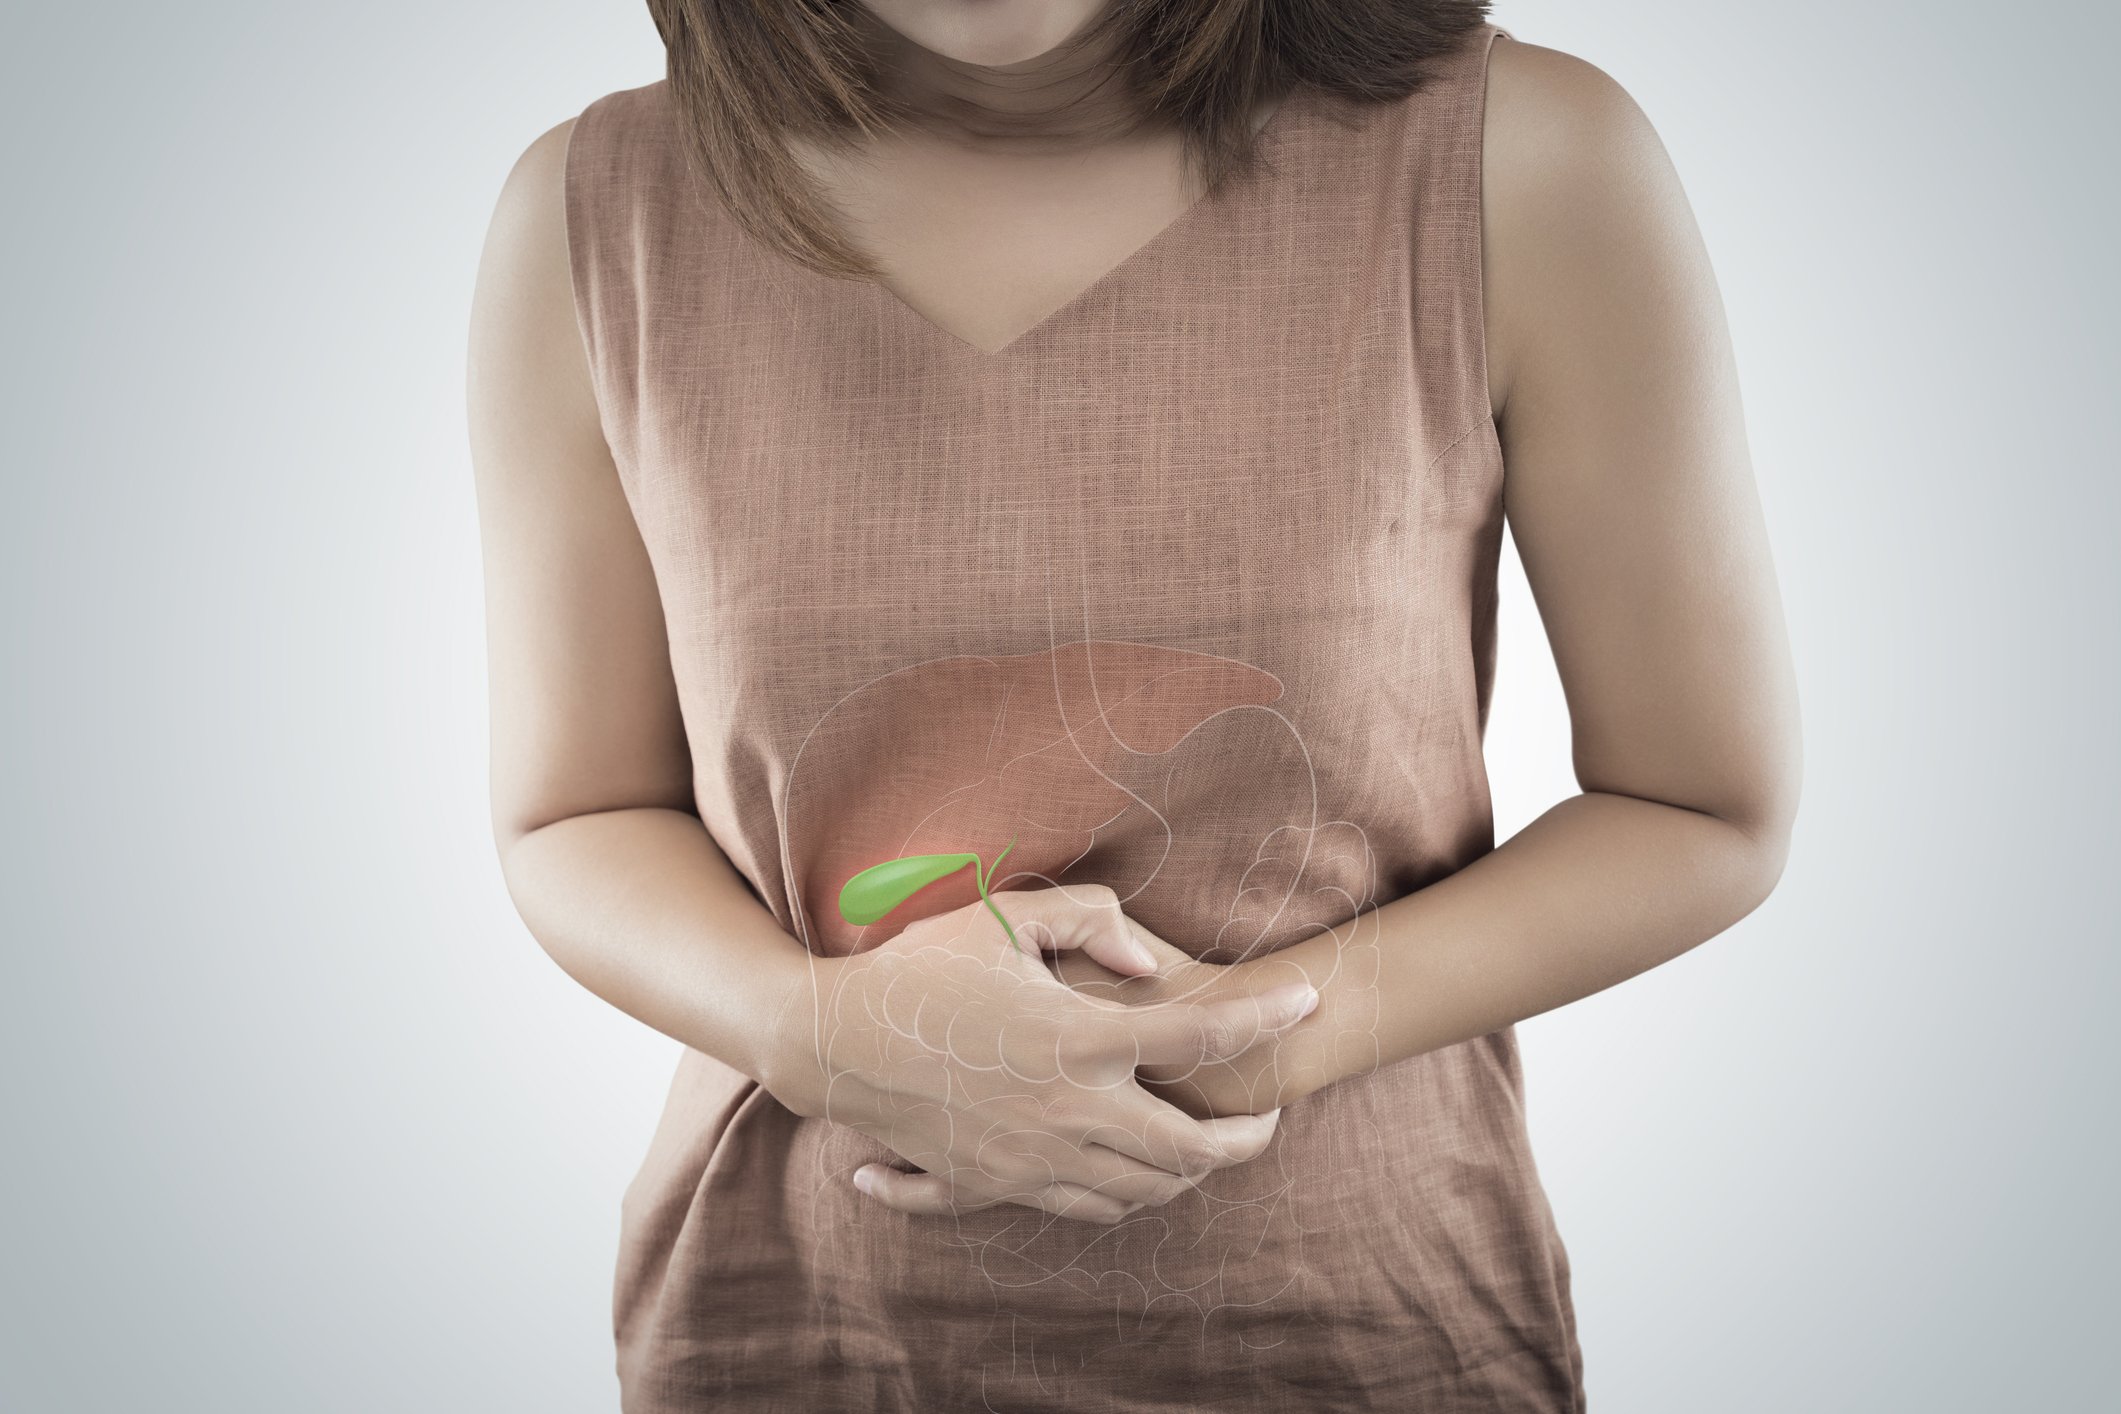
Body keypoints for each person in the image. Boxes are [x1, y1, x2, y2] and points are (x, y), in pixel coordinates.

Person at [465, 1, 1800, 1408]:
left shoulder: (1522, 159)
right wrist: (813, 1030)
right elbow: (577, 811)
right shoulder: (593, 215)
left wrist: (1233, 1042)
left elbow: (1697, 806)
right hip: (791, 1331)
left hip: (1369, 1334)